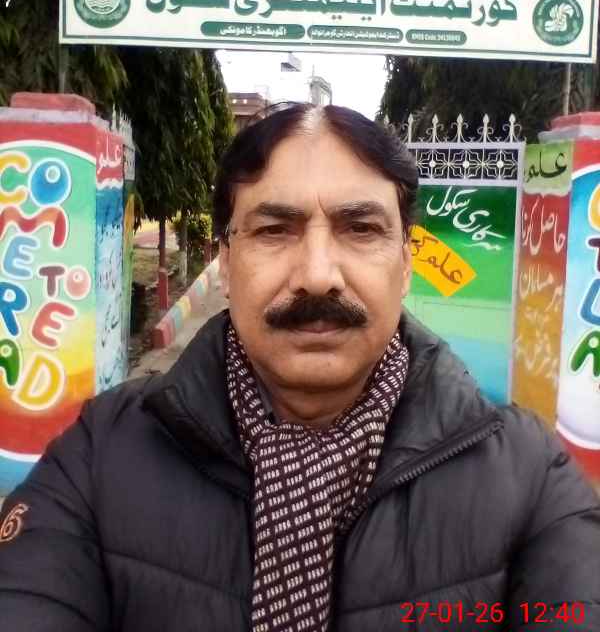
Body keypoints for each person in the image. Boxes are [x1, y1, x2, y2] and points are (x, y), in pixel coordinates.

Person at [0, 102, 599, 632]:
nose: (317, 274)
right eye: (274, 229)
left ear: (405, 264)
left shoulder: (527, 477)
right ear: (226, 260)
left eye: (360, 228)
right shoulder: (101, 457)